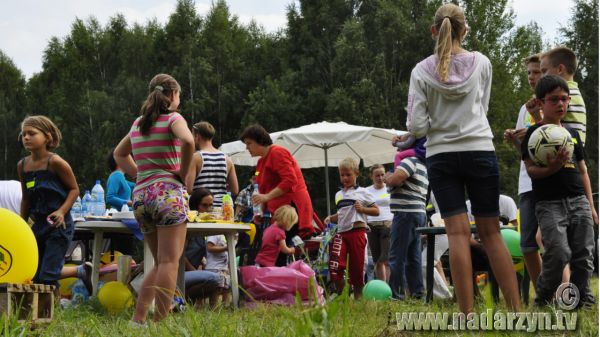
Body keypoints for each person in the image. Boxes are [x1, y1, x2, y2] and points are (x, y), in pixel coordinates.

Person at [406, 3, 521, 312]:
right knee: (492, 234)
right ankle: (517, 312)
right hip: (480, 150)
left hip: (442, 156)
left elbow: (417, 126)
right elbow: (481, 108)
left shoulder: (420, 70)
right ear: (465, 30)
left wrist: (426, 129)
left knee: (456, 234)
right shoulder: (482, 62)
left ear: (434, 30)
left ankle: (467, 318)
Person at [114, 73, 195, 324]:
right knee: (170, 261)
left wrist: (142, 173)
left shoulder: (138, 123)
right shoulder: (173, 118)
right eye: (179, 95)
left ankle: (138, 320)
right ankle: (161, 324)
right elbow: (189, 140)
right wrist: (181, 173)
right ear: (172, 95)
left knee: (160, 263)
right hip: (168, 195)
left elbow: (119, 154)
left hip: (141, 197)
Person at [521, 75, 597, 308]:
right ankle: (544, 296)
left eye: (565, 99)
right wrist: (553, 167)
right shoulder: (532, 136)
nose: (561, 104)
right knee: (559, 252)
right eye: (554, 99)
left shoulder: (572, 135)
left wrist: (591, 206)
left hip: (578, 201)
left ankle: (582, 297)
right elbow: (532, 171)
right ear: (541, 102)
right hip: (549, 204)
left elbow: (583, 171)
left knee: (584, 254)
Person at [17, 116, 80, 298]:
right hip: (38, 226)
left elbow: (74, 190)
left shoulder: (56, 162)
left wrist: (61, 211)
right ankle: (35, 313)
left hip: (58, 226)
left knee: (49, 274)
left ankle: (50, 315)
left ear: (47, 137)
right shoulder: (22, 165)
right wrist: (22, 224)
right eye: (24, 134)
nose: (26, 137)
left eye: (32, 133)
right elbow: (26, 198)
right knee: (34, 273)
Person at [504, 53, 544, 290]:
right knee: (528, 245)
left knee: (549, 242)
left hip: (549, 183)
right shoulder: (524, 109)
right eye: (529, 72)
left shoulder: (555, 104)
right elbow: (523, 152)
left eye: (536, 71)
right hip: (526, 183)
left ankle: (563, 292)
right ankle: (543, 295)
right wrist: (514, 140)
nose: (531, 77)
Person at [240, 124, 315, 241]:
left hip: (291, 211)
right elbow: (263, 191)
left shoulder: (277, 153)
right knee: (275, 251)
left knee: (280, 252)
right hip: (279, 214)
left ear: (259, 140)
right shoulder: (260, 162)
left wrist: (266, 197)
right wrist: (260, 211)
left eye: (249, 143)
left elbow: (290, 180)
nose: (247, 148)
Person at [324, 157, 379, 299]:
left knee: (357, 267)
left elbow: (376, 211)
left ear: (356, 174)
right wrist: (331, 217)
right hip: (341, 234)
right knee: (335, 265)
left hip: (357, 232)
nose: (345, 178)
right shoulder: (338, 194)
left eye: (348, 174)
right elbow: (342, 213)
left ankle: (358, 297)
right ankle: (341, 294)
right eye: (342, 175)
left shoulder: (363, 192)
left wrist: (363, 209)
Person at [384, 144, 428, 300]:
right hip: (418, 213)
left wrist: (387, 177)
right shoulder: (423, 164)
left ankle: (397, 295)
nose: (398, 149)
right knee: (413, 257)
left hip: (405, 213)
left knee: (397, 256)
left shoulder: (410, 161)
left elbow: (395, 181)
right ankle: (417, 294)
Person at [539, 47, 587, 145]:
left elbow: (547, 130)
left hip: (567, 154)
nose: (542, 77)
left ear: (560, 69)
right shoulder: (574, 92)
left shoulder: (565, 95)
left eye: (544, 71)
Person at [189, 121, 239, 207]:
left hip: (202, 208)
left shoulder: (196, 158)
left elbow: (188, 189)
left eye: (192, 136)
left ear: (197, 136)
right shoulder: (227, 159)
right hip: (223, 209)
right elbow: (235, 190)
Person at [365, 164, 393, 282]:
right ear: (371, 176)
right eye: (377, 175)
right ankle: (382, 287)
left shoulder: (391, 188)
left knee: (385, 259)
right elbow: (363, 208)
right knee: (377, 260)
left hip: (388, 224)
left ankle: (389, 288)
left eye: (382, 175)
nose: (380, 178)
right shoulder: (366, 191)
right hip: (371, 226)